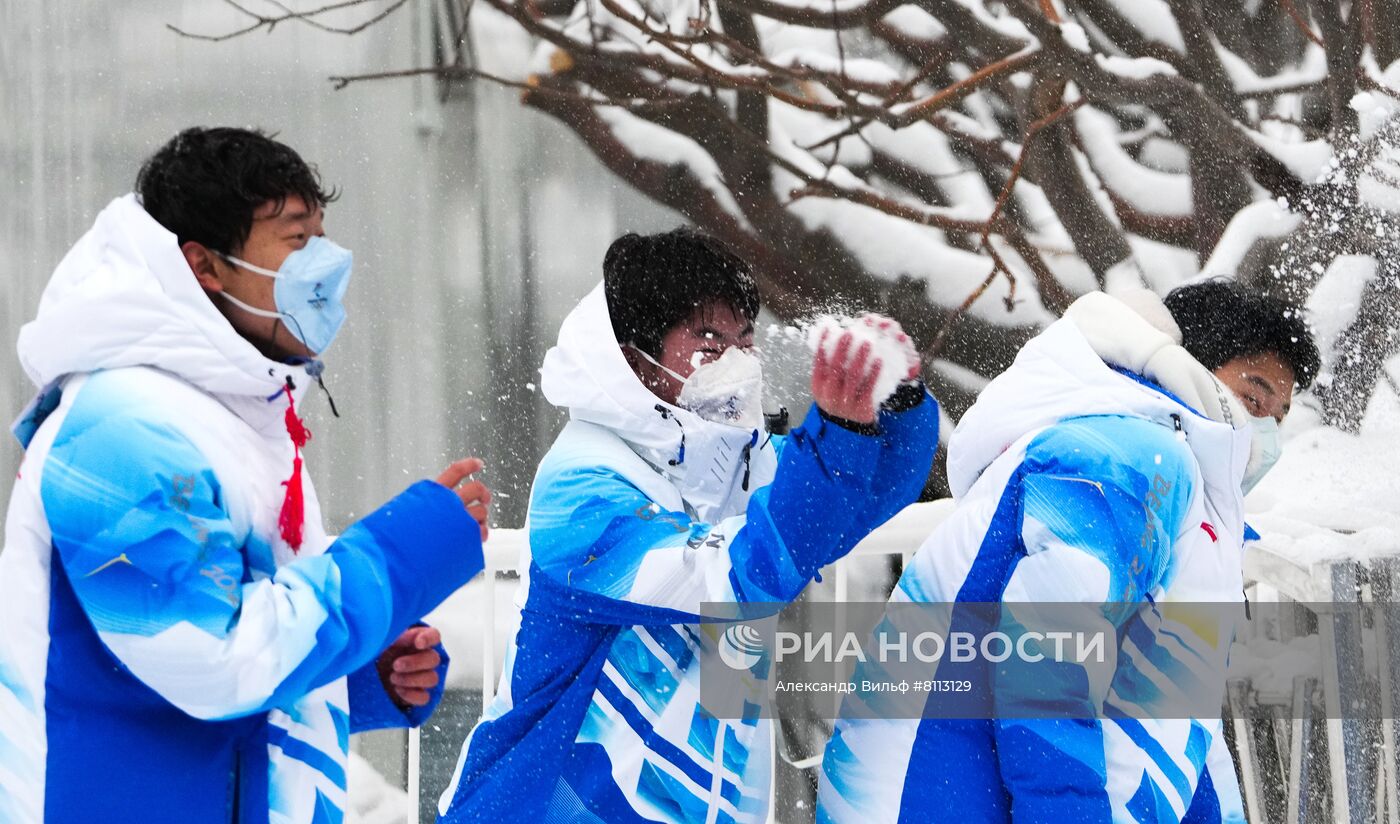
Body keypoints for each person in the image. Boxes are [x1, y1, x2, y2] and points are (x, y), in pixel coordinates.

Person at [0, 127, 490, 823]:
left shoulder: (230, 412)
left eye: (322, 235)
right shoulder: (122, 432)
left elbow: (201, 657)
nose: (325, 264)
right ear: (204, 265)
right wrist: (402, 552)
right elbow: (215, 661)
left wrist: (356, 677)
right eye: (296, 240)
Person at [438, 228, 940, 823]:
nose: (735, 362)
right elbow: (730, 583)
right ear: (635, 359)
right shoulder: (580, 487)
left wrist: (895, 401)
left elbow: (856, 503)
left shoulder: (731, 464)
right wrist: (838, 433)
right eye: (708, 340)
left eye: (744, 339)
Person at [817, 280, 1320, 823]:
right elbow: (1045, 665)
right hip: (935, 789)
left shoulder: (1189, 500)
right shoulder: (1126, 459)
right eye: (1254, 394)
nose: (1265, 427)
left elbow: (1184, 728)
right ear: (1190, 361)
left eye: (1280, 414)